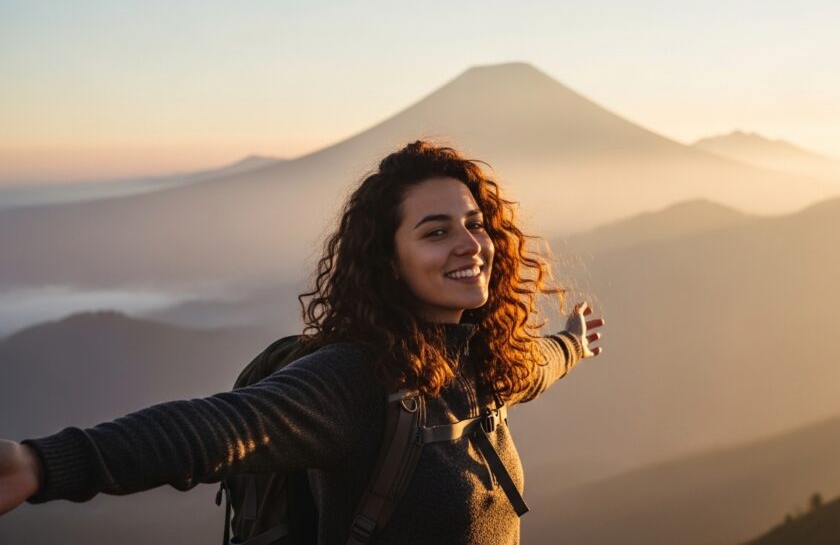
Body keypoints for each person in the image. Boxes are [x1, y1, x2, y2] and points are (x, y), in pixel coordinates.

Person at [0, 140, 605, 544]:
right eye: (436, 231)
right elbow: (216, 429)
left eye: (475, 223)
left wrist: (572, 343)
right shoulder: (356, 378)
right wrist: (43, 464)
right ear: (388, 262)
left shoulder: (483, 357)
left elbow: (535, 365)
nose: (470, 243)